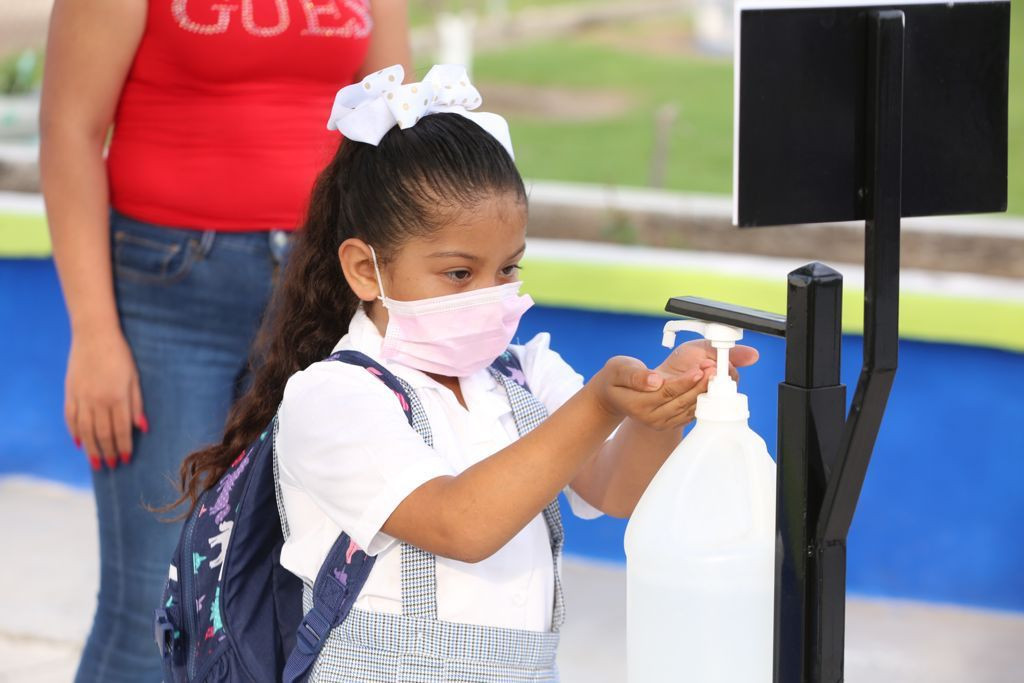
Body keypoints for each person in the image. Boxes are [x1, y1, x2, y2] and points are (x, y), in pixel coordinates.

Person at [176, 64, 758, 680]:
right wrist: (598, 406)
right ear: (366, 270)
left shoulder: (524, 373)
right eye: (460, 273)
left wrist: (661, 404)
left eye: (509, 269)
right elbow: (461, 523)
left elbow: (615, 488)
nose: (490, 294)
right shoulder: (333, 396)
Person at [38, 1, 411, 680]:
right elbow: (69, 129)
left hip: (324, 289)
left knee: (301, 598)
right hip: (168, 293)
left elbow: (390, 120)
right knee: (154, 604)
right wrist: (94, 334)